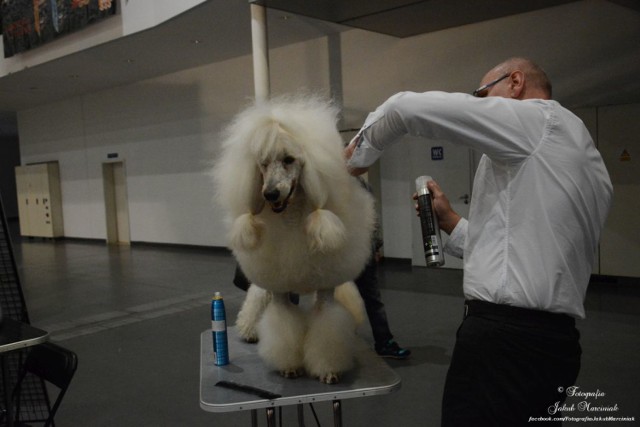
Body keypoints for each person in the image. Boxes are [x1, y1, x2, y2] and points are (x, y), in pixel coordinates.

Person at [344, 57, 612, 426]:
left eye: (483, 95)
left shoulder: (537, 122)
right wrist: (450, 221)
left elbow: (404, 108)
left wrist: (354, 158)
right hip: (553, 345)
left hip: (504, 344)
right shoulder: (584, 159)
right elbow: (516, 251)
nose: (483, 105)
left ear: (515, 82)